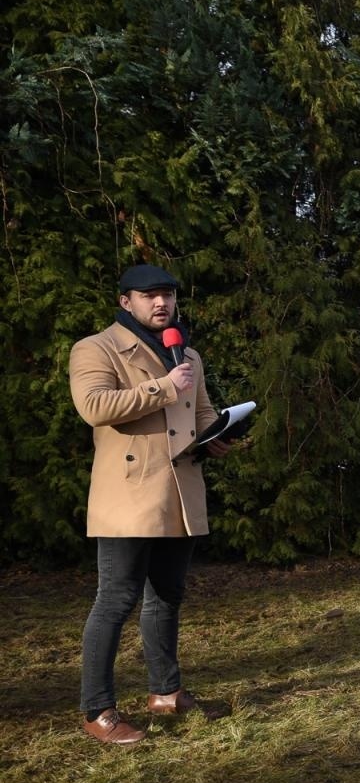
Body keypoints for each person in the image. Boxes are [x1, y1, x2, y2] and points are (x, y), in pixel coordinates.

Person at [69, 264, 233, 745]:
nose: (161, 303)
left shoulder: (187, 354)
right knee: (115, 601)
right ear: (126, 302)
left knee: (166, 596)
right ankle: (96, 710)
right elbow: (95, 406)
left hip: (179, 494)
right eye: (149, 296)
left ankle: (166, 692)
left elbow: (199, 412)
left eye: (168, 295)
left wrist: (219, 433)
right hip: (129, 496)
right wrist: (165, 386)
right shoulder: (95, 348)